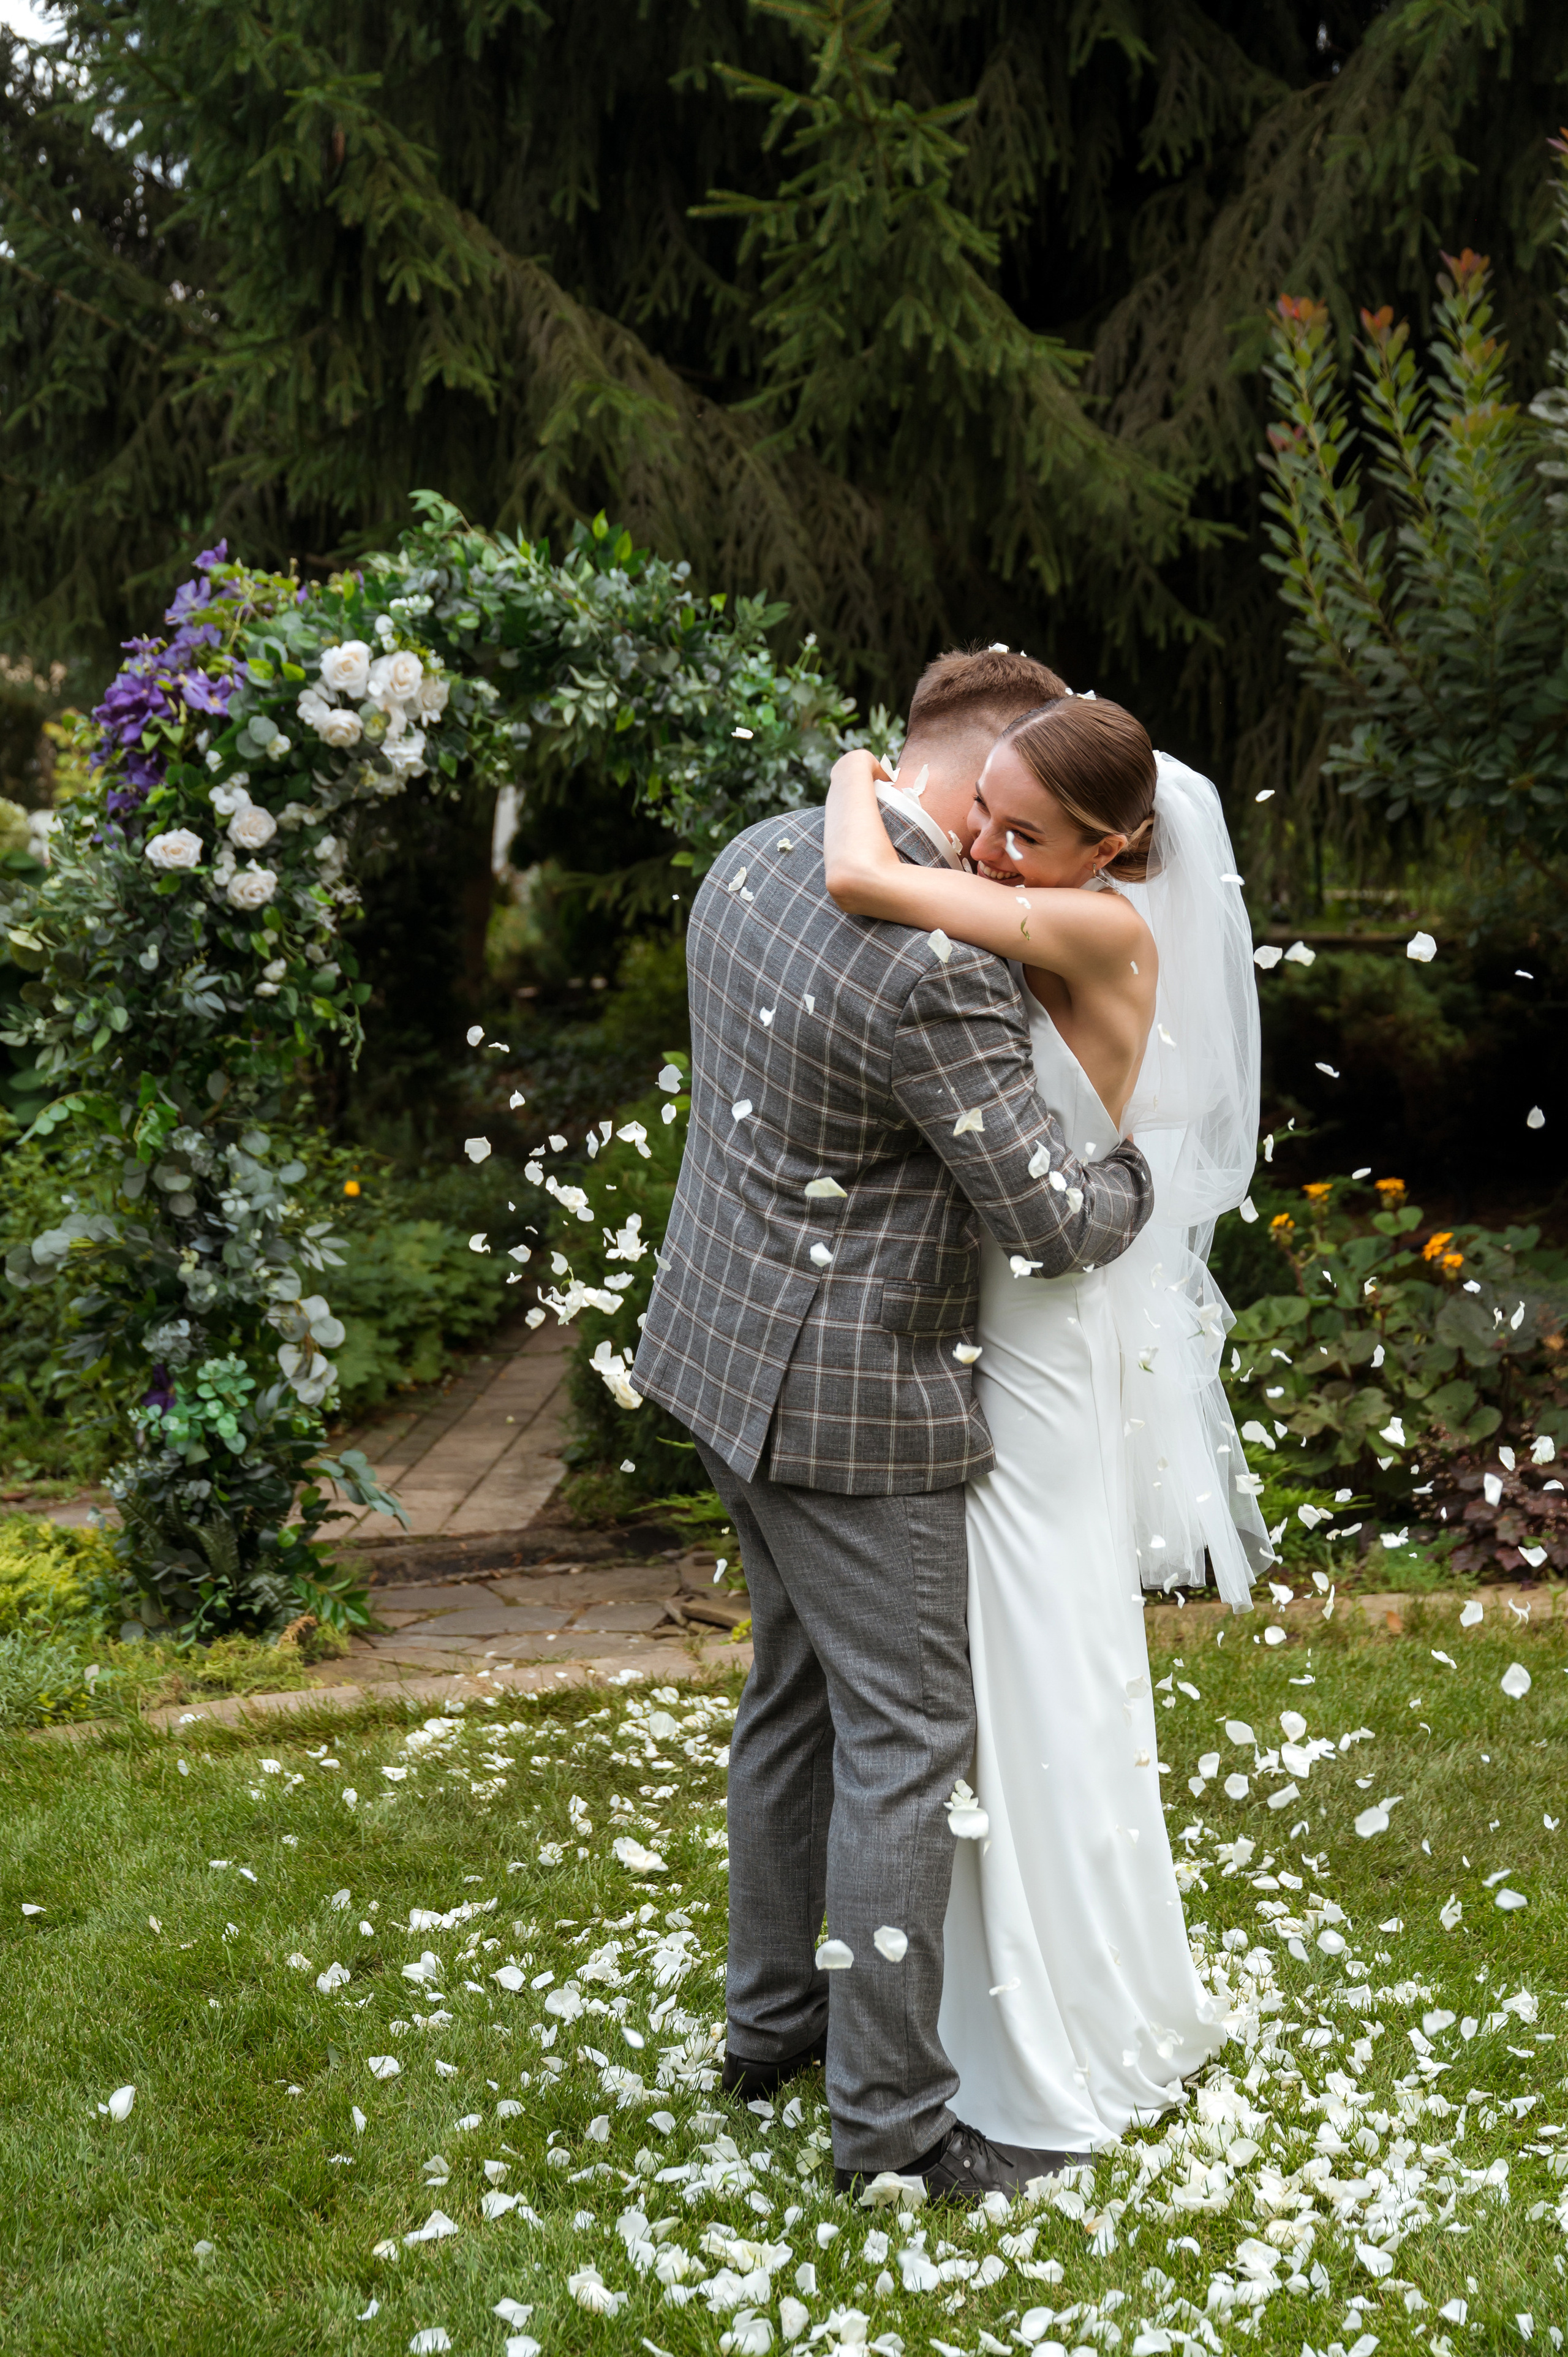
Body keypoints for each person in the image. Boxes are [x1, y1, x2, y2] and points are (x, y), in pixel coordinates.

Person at [631, 649, 1156, 2203]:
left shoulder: (755, 850)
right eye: (1004, 811)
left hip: (714, 1357)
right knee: (905, 1747)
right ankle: (893, 2130)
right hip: (850, 1415)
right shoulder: (935, 970)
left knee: (791, 1696)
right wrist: (1141, 1184)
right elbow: (1051, 1220)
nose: (1003, 847)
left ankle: (769, 2026)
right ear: (987, 768)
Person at [823, 692, 1271, 2152]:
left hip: (1035, 1354)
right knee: (994, 1680)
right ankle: (973, 1998)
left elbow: (863, 878)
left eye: (1028, 835)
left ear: (1118, 847)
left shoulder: (1104, 932)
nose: (995, 852)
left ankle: (1047, 2015)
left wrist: (849, 768)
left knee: (1034, 1678)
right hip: (988, 1326)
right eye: (987, 817)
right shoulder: (1044, 899)